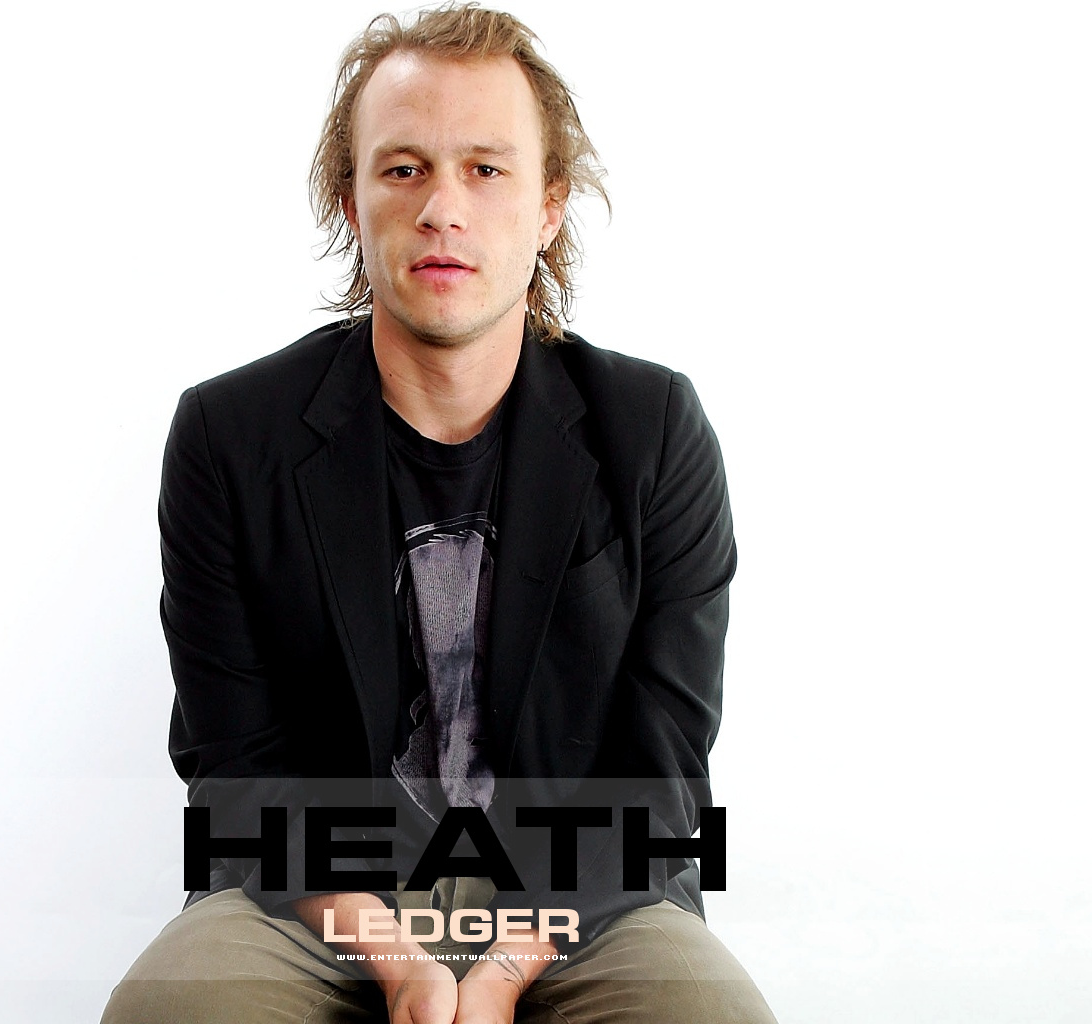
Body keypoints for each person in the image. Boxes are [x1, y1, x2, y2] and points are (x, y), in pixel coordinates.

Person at [103, 4, 777, 1022]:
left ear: (549, 205)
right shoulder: (227, 436)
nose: (442, 209)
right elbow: (234, 779)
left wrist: (501, 968)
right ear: (351, 200)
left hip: (580, 897)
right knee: (170, 1007)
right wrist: (394, 955)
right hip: (318, 896)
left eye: (486, 169)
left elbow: (665, 789)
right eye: (404, 168)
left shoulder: (653, 431)